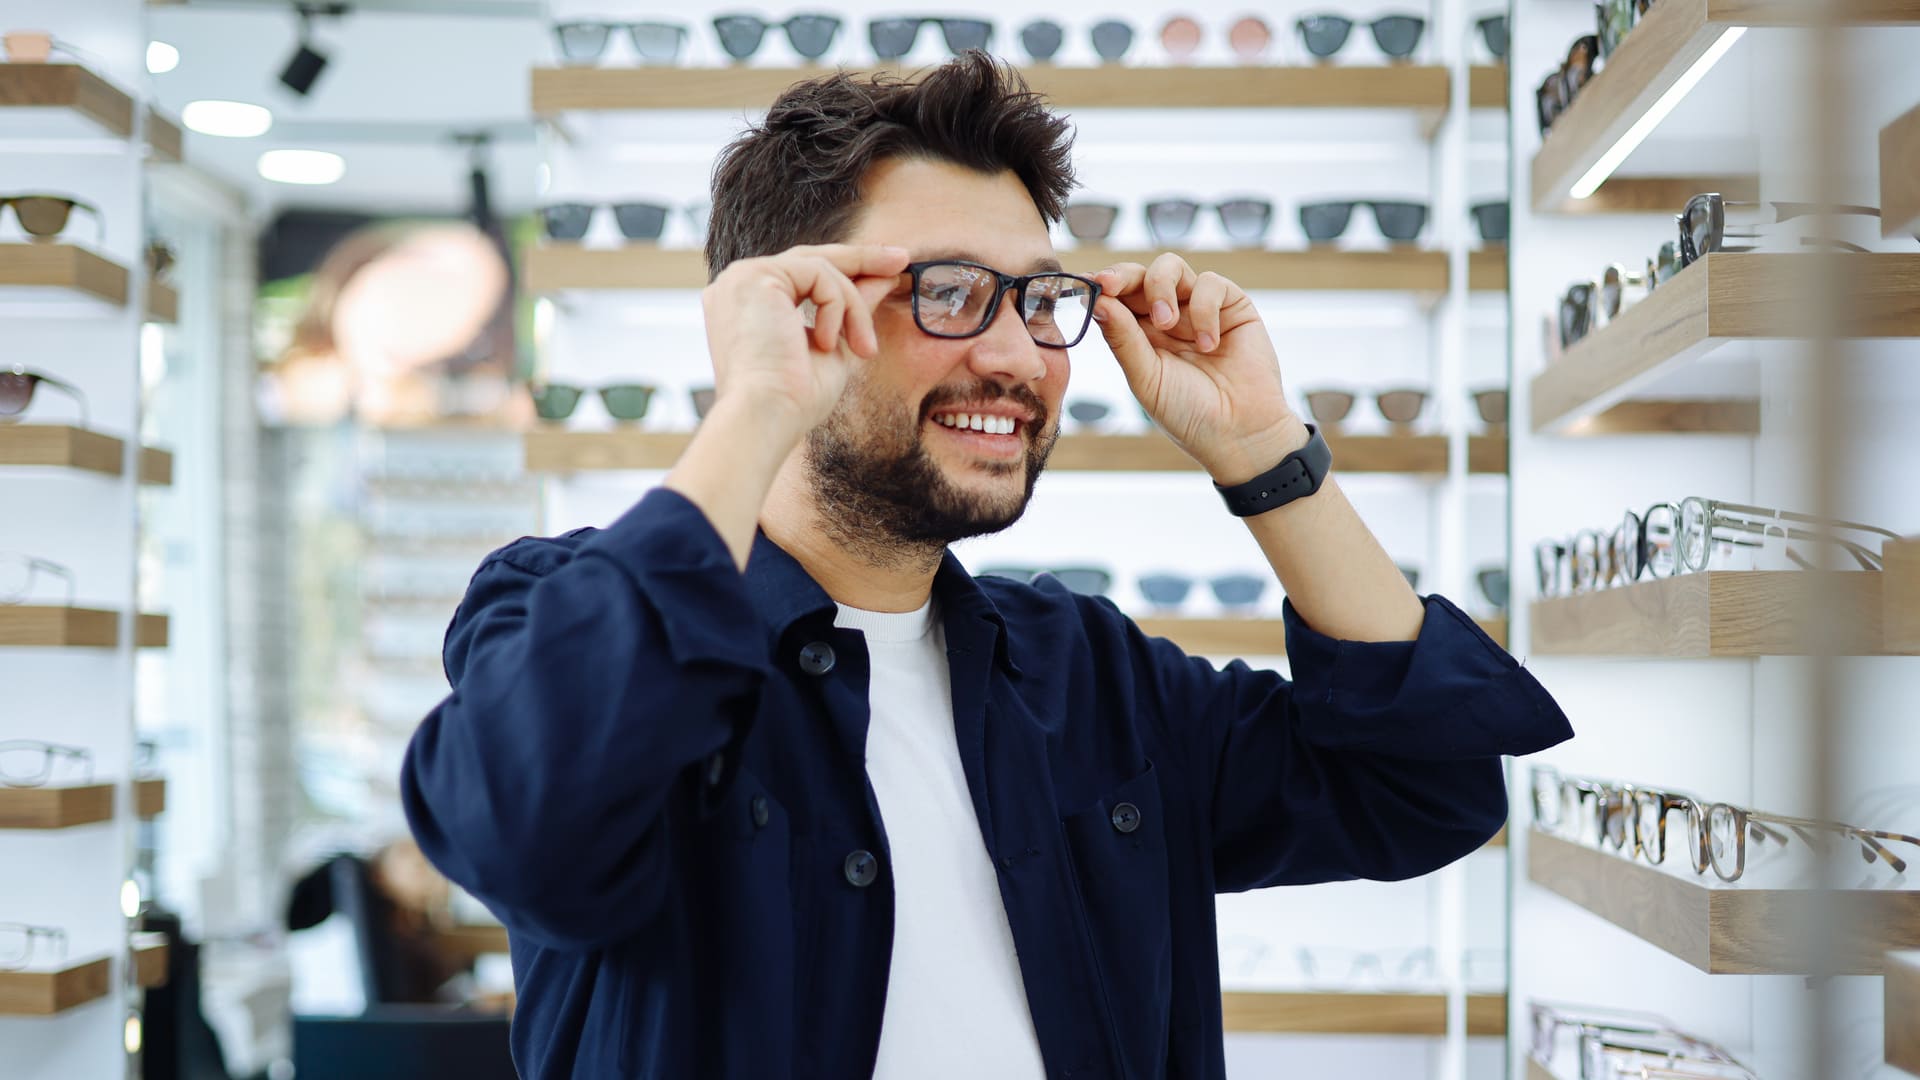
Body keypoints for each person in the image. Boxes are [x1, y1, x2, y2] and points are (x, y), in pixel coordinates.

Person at [402, 53, 1571, 1080]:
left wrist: (1264, 452)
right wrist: (755, 403)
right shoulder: (558, 610)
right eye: (951, 292)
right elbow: (520, 828)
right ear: (794, 306)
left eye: (1039, 299)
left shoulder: (1093, 680)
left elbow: (1428, 788)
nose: (1018, 355)